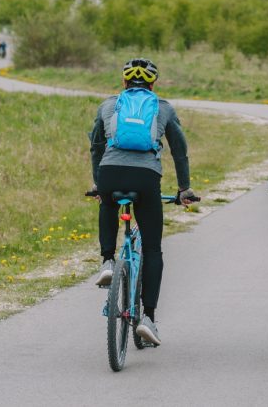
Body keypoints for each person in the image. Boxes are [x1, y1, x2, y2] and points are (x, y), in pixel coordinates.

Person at [89, 57, 196, 346]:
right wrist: (184, 188)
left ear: (124, 82)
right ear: (153, 83)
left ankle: (108, 260)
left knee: (108, 203)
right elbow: (180, 151)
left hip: (110, 173)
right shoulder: (163, 108)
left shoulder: (109, 105)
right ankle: (148, 318)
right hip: (146, 178)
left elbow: (97, 145)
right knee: (152, 248)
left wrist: (99, 184)